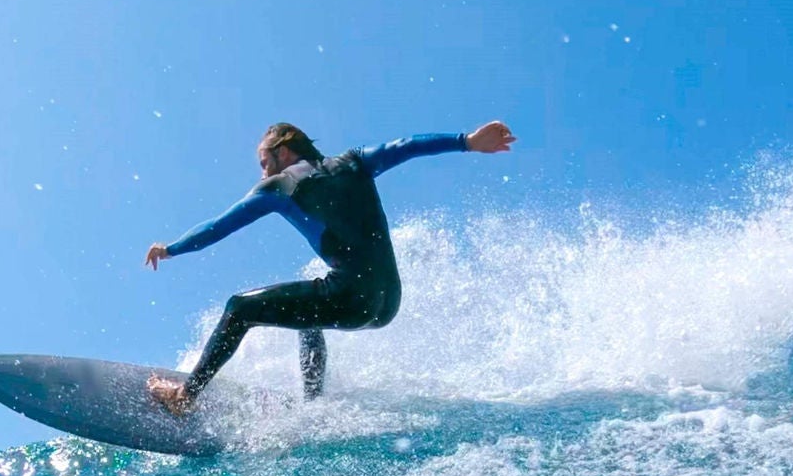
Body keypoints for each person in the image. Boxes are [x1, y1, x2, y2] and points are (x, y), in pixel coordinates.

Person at [143, 119, 516, 414]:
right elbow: (406, 146)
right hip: (387, 303)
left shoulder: (278, 186)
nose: (261, 173)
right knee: (308, 310)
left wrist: (171, 249)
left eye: (263, 163)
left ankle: (184, 397)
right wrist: (467, 140)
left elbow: (217, 227)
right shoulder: (354, 161)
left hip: (350, 299)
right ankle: (314, 403)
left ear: (283, 152)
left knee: (239, 309)